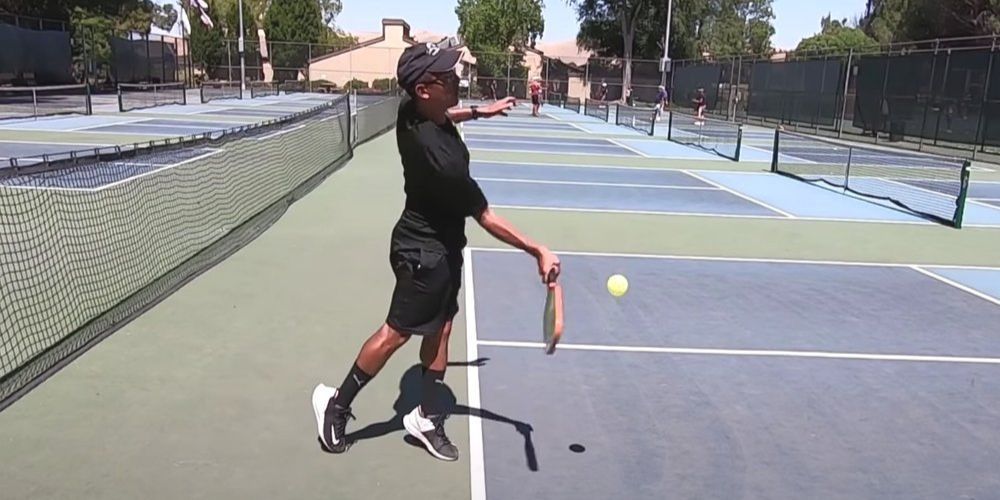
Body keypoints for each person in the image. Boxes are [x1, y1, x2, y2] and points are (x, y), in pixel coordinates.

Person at [312, 42, 561, 461]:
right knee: (397, 333)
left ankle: (425, 418)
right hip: (423, 251)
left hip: (444, 247)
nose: (456, 79)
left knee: (442, 327)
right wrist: (536, 248)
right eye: (447, 77)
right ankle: (336, 403)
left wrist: (481, 111)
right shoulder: (441, 161)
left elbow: (446, 116)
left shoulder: (412, 111)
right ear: (425, 89)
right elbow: (485, 215)